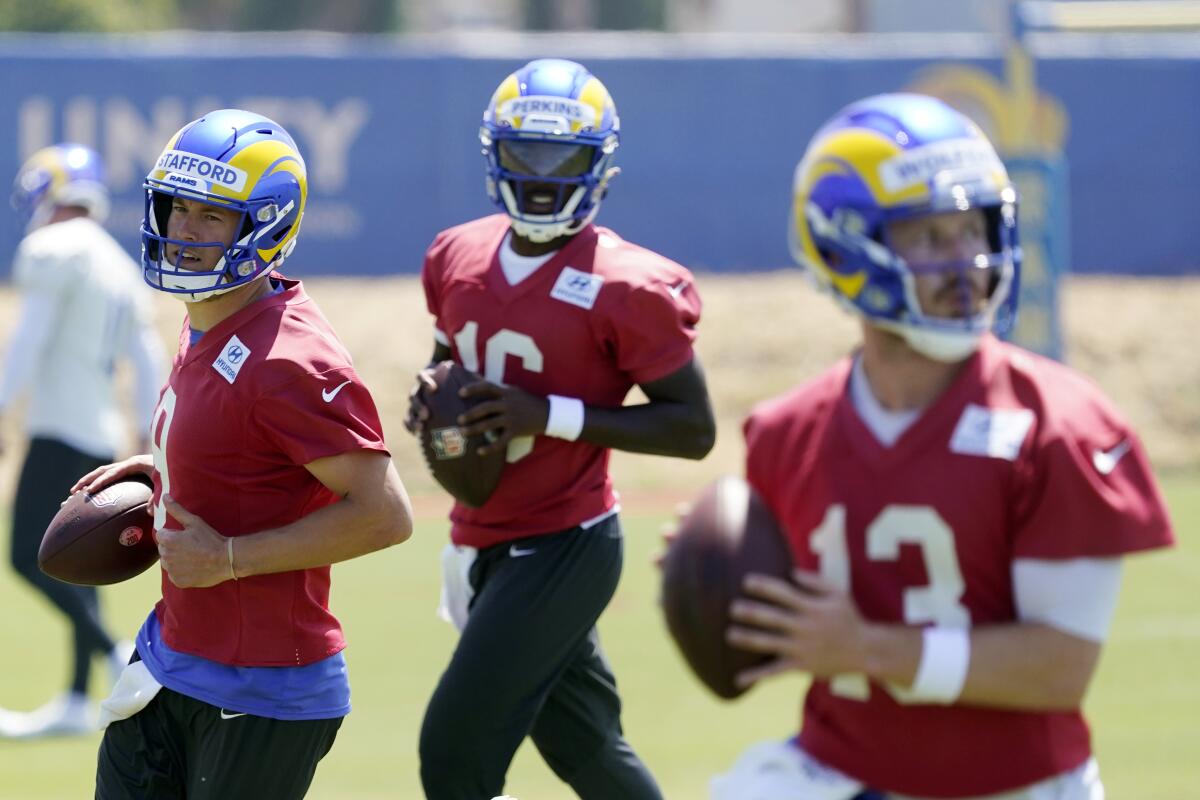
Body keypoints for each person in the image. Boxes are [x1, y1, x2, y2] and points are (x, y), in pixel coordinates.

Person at [706, 92, 1176, 800]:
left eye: (974, 229)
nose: (967, 263)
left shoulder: (1062, 428)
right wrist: (719, 580)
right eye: (929, 237)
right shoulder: (785, 432)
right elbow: (790, 628)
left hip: (1010, 786)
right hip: (839, 774)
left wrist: (869, 647)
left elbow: (1059, 666)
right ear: (843, 247)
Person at [68, 109, 414, 799]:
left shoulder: (289, 357)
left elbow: (385, 513)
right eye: (178, 209)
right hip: (172, 658)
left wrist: (228, 557)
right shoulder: (212, 317)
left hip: (263, 690)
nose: (185, 232)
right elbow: (243, 452)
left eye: (212, 217)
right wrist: (156, 473)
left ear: (266, 226)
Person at [408, 59, 716, 800]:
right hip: (482, 529)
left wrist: (546, 416)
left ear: (599, 164)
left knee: (452, 750)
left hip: (563, 543)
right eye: (526, 153)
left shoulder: (630, 285)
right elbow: (446, 364)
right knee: (589, 754)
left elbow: (693, 428)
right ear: (495, 154)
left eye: (564, 157)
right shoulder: (457, 254)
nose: (543, 175)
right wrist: (430, 403)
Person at [0, 144, 163, 739]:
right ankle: (74, 700)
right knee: (80, 561)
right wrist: (148, 430)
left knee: (28, 556)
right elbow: (146, 359)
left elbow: (28, 342)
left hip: (58, 426)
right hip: (105, 435)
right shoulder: (119, 264)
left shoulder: (54, 250)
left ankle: (116, 653)